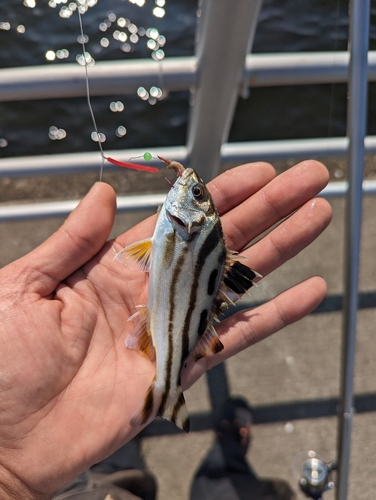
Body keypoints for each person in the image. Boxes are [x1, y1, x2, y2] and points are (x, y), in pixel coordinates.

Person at [0, 160, 331, 500]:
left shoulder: (184, 229)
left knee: (115, 466)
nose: (189, 185)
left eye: (196, 192)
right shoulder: (183, 228)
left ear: (196, 215)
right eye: (198, 192)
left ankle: (149, 416)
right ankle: (165, 413)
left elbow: (148, 256)